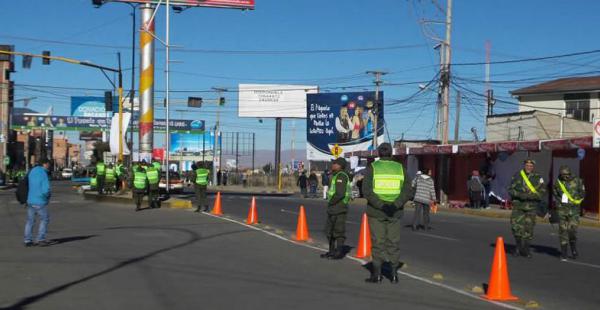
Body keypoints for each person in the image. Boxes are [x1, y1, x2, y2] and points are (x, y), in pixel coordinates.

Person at [362, 143, 413, 283]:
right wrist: (395, 205)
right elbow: (408, 190)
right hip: (395, 212)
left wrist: (381, 205)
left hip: (376, 211)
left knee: (378, 243)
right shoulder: (400, 168)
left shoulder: (372, 168)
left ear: (379, 153)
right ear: (391, 153)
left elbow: (366, 190)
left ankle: (377, 274)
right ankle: (394, 274)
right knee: (393, 243)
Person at [508, 159, 546, 258]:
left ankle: (526, 249)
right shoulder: (517, 175)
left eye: (530, 165)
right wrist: (520, 195)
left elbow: (542, 192)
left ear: (533, 167)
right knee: (516, 227)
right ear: (524, 165)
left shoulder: (538, 178)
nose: (529, 167)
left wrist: (530, 196)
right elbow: (510, 190)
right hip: (518, 206)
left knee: (529, 228)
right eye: (527, 165)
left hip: (531, 207)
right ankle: (518, 247)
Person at [552, 166, 585, 261]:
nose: (564, 177)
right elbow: (555, 193)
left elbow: (583, 193)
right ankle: (564, 253)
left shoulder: (578, 181)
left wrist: (576, 201)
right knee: (563, 230)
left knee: (572, 230)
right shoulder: (558, 182)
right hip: (562, 210)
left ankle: (573, 248)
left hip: (574, 210)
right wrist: (559, 203)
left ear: (570, 174)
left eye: (566, 175)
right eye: (562, 175)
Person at [321, 158, 351, 260]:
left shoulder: (341, 176)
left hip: (339, 207)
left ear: (340, 165)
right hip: (333, 207)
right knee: (329, 231)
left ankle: (338, 252)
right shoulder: (334, 175)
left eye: (335, 163)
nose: (332, 165)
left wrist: (331, 201)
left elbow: (340, 193)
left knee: (339, 231)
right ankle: (331, 251)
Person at [24, 158, 51, 247]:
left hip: (30, 199)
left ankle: (27, 240)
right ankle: (41, 238)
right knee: (44, 219)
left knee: (30, 221)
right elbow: (46, 188)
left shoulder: (32, 171)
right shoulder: (43, 173)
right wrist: (46, 197)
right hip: (40, 200)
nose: (49, 166)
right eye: (48, 164)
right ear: (44, 164)